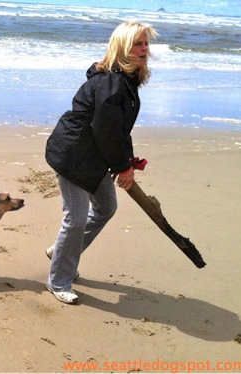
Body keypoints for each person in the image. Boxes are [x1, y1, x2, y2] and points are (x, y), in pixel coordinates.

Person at [44, 21, 157, 304]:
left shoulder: (126, 80)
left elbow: (119, 128)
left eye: (146, 44)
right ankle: (59, 281)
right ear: (123, 48)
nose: (144, 49)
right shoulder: (111, 82)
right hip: (73, 156)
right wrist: (122, 167)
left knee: (106, 207)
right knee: (76, 217)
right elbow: (104, 129)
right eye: (138, 44)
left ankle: (61, 251)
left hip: (94, 156)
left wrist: (128, 161)